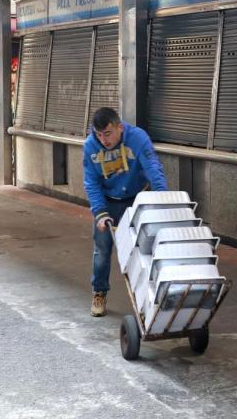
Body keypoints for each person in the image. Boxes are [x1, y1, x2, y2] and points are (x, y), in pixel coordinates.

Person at [83, 107, 167, 317]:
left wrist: (163, 199)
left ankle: (152, 297)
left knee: (145, 250)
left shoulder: (137, 138)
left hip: (137, 199)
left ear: (119, 127)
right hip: (108, 202)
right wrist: (100, 212)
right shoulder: (90, 146)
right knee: (102, 250)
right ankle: (99, 291)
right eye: (99, 134)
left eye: (108, 133)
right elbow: (91, 183)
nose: (104, 139)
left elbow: (153, 168)